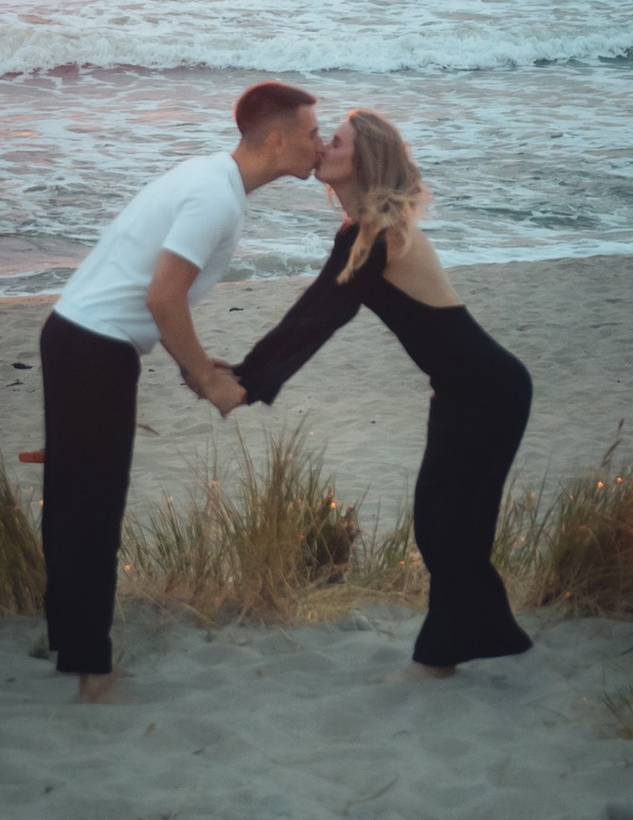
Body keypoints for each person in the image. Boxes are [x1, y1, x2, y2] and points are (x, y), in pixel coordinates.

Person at [38, 81, 323, 690]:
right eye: (311, 133)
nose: (319, 145)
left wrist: (194, 362)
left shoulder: (211, 180)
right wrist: (204, 378)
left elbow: (150, 294)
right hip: (94, 348)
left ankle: (69, 643)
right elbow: (162, 296)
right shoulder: (214, 197)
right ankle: (92, 671)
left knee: (71, 501)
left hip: (76, 335)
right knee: (92, 509)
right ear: (276, 138)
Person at [234, 107, 534, 676]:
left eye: (336, 141)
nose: (322, 147)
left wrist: (247, 384)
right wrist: (247, 378)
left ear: (365, 158)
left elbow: (322, 316)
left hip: (491, 391)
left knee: (451, 528)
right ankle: (488, 636)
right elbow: (314, 309)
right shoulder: (359, 232)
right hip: (459, 391)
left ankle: (440, 658)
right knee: (441, 523)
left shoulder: (383, 232)